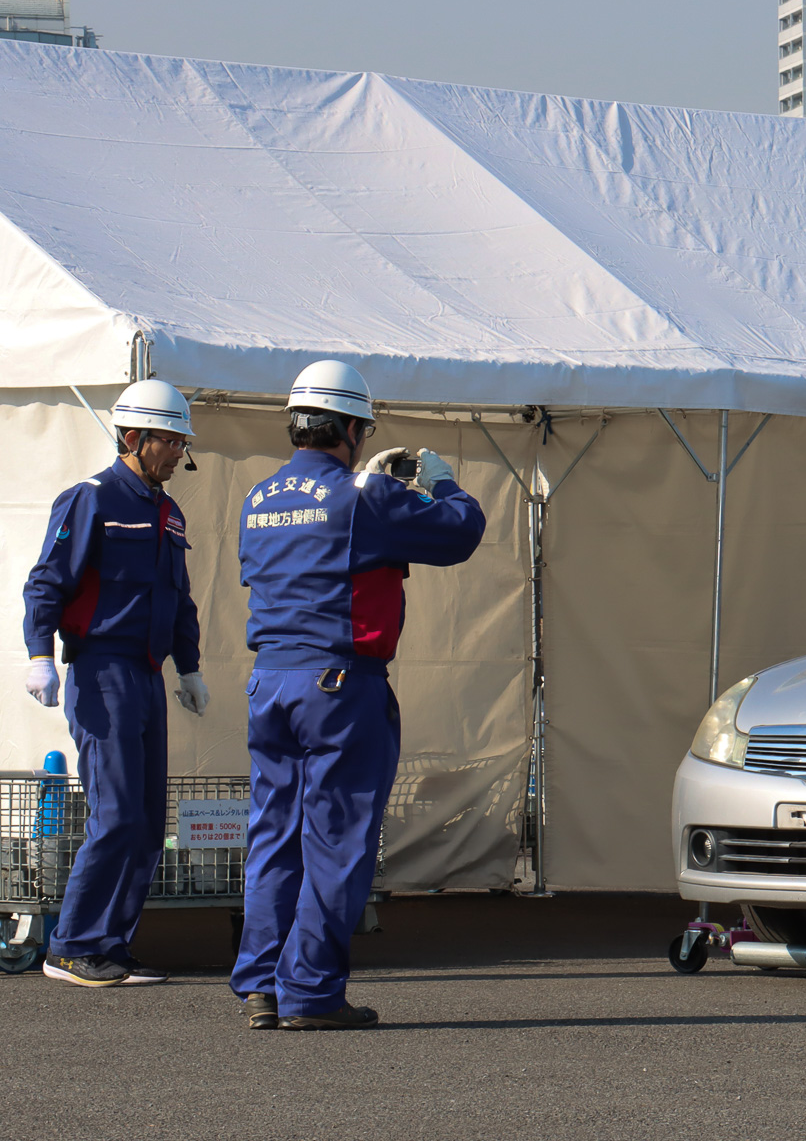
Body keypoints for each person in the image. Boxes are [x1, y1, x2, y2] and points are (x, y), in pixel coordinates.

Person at [231, 360, 484, 1031]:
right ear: (349, 427)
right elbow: (461, 530)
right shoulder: (362, 499)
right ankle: (310, 992)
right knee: (336, 839)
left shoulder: (258, 499)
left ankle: (263, 985)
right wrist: (437, 480)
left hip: (270, 681)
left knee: (274, 836)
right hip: (340, 684)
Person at [23, 380, 208, 989]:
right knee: (117, 811)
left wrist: (191, 666)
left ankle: (111, 944)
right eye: (169, 439)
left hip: (146, 675)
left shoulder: (169, 513)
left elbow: (179, 600)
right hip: (101, 671)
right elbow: (47, 582)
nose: (179, 451)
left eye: (181, 439)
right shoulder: (91, 499)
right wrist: (39, 654)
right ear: (134, 438)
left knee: (149, 819)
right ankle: (72, 945)